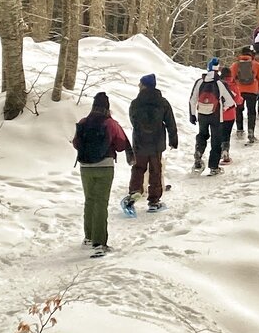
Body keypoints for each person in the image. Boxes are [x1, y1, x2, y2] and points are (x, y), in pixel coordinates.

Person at [72, 91, 130, 255]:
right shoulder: (110, 123)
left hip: (85, 167)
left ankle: (88, 237)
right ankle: (99, 243)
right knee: (101, 202)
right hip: (105, 166)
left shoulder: (84, 122)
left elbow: (76, 143)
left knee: (89, 200)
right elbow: (120, 145)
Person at [124, 73, 177, 213]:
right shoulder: (162, 102)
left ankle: (134, 192)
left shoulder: (135, 103)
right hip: (156, 143)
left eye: (140, 84)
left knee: (138, 168)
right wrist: (173, 139)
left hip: (140, 142)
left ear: (144, 85)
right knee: (155, 170)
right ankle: (154, 201)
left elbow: (133, 120)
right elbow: (170, 122)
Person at [189, 58, 238, 174]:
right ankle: (213, 167)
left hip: (202, 114)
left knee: (202, 135)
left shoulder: (200, 82)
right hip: (216, 114)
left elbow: (192, 100)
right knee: (216, 140)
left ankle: (199, 152)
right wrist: (224, 107)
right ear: (218, 70)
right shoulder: (220, 83)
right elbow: (231, 101)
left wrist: (192, 114)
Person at [229, 46, 259, 142]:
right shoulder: (256, 64)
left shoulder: (235, 65)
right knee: (251, 112)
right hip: (252, 91)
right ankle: (251, 132)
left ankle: (240, 130)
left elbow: (230, 79)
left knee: (239, 110)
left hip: (239, 92)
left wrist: (231, 91)